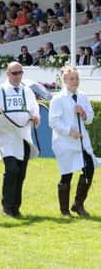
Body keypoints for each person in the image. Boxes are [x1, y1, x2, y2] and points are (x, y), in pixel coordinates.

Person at [0, 61, 40, 218]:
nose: (17, 76)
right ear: (8, 74)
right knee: (12, 170)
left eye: (20, 73)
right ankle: (7, 207)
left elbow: (34, 107)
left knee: (21, 173)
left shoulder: (27, 91)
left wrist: (36, 116)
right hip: (6, 136)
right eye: (14, 73)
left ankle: (16, 207)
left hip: (23, 135)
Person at [49, 66, 98, 217]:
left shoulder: (82, 96)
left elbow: (89, 118)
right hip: (65, 143)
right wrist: (70, 132)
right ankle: (64, 210)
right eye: (71, 78)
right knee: (67, 174)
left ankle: (78, 204)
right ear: (64, 80)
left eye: (77, 78)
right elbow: (53, 122)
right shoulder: (58, 98)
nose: (75, 81)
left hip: (82, 142)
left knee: (89, 169)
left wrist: (83, 113)